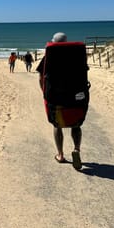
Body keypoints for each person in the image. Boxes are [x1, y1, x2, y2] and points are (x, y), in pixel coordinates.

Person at [36, 32, 83, 170]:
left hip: (55, 97)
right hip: (75, 95)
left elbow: (41, 76)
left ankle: (61, 154)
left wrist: (44, 93)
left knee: (57, 125)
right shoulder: (76, 55)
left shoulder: (49, 56)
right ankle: (76, 149)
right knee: (76, 124)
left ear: (54, 42)